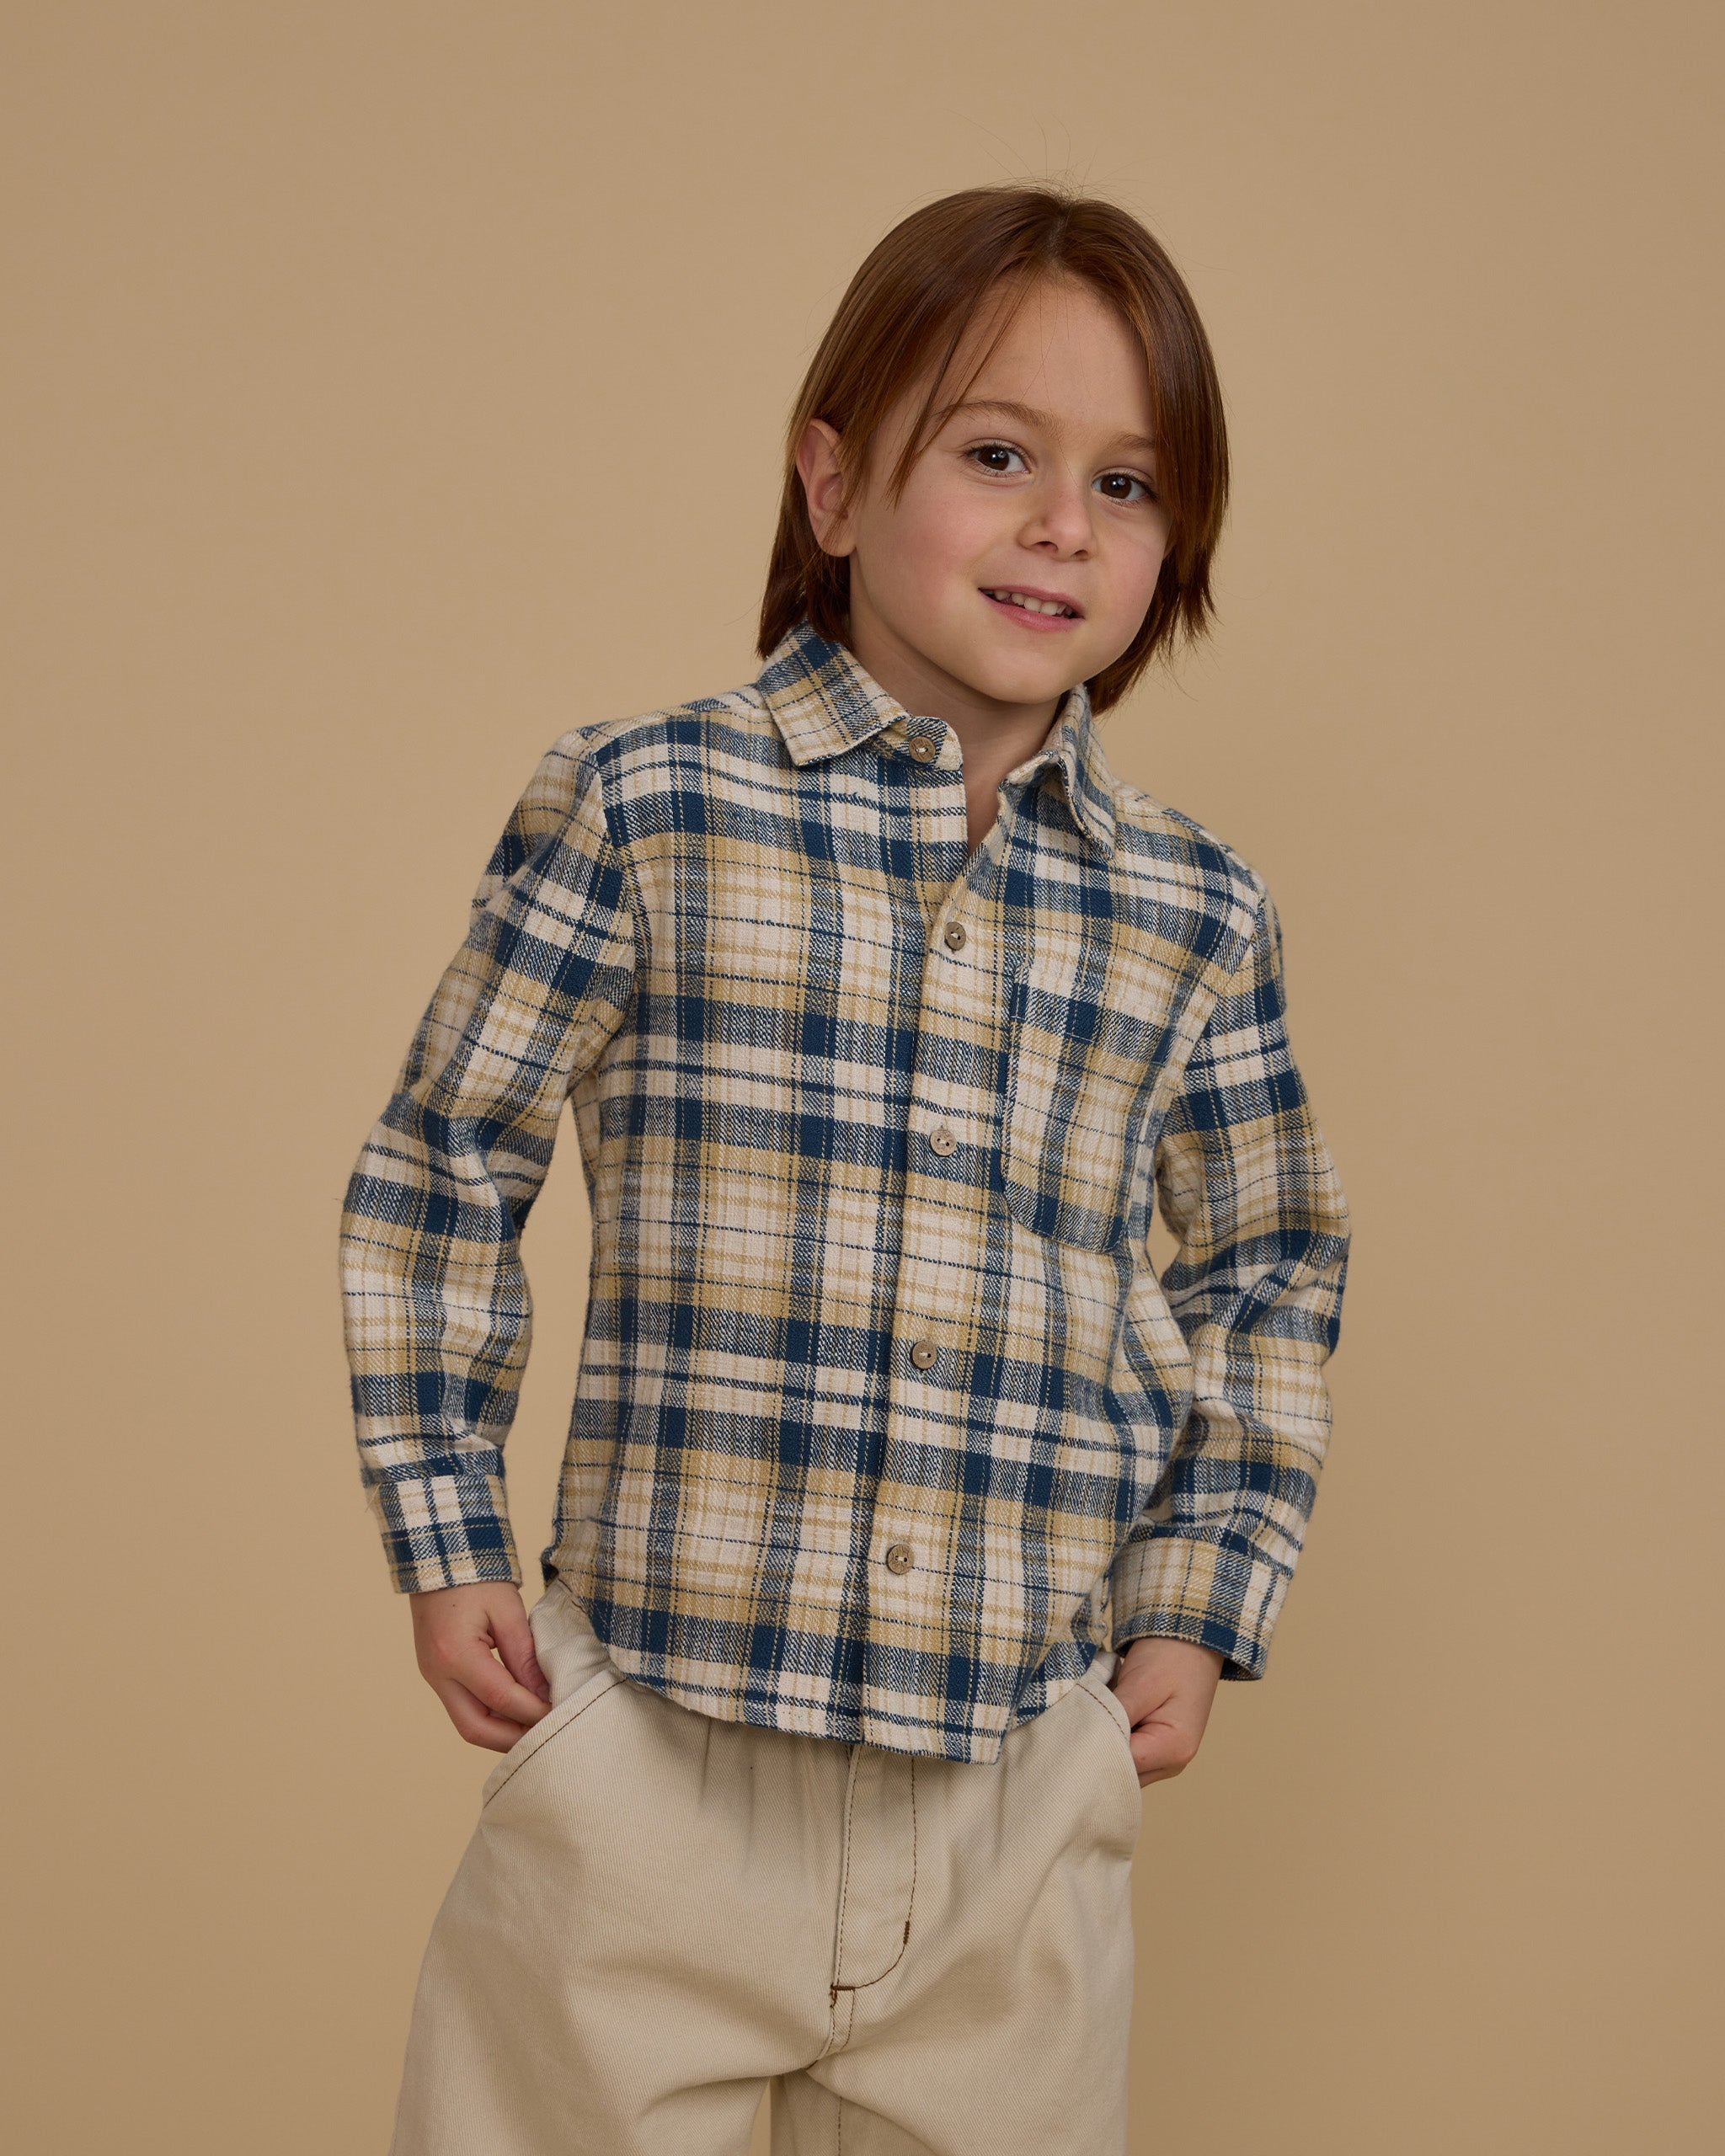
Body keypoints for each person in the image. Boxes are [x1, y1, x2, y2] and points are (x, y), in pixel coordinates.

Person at [338, 180, 1352, 2156]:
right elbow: (446, 1154)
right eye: (996, 454)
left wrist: (1197, 1588)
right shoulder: (648, 804)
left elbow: (1265, 1266)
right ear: (831, 482)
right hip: (657, 1754)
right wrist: (443, 1521)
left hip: (1010, 1787)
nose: (1063, 525)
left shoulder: (1194, 911)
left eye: (1128, 483)